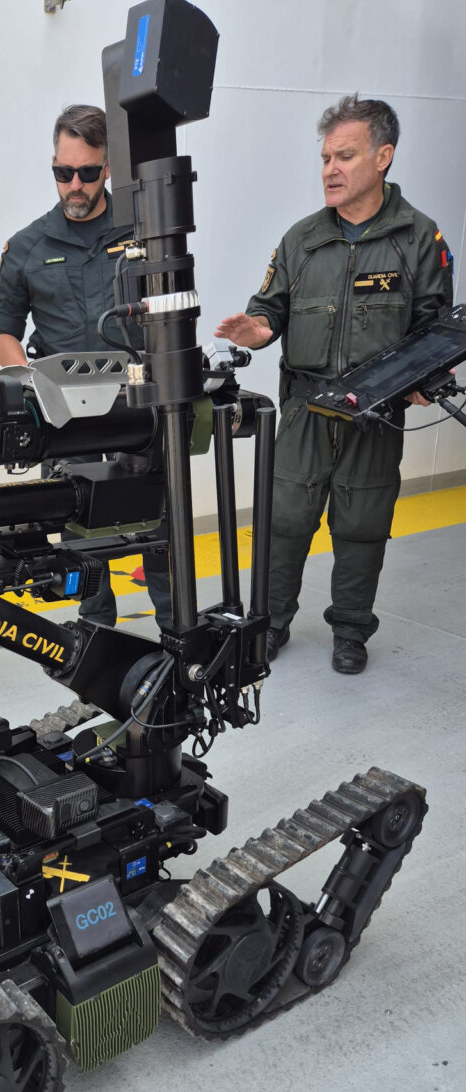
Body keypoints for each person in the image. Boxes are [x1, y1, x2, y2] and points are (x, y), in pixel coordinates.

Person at [216, 94, 453, 675]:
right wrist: (257, 329)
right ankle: (270, 624)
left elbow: (435, 328)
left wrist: (426, 377)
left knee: (363, 527)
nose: (330, 169)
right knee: (284, 523)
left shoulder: (419, 239)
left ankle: (350, 630)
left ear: (383, 157)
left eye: (345, 156)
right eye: (325, 158)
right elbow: (270, 308)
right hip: (306, 410)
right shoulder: (301, 239)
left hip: (377, 413)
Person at [0, 103, 172, 631]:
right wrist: (29, 384)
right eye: (63, 172)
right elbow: (2, 332)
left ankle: (175, 628)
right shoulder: (26, 246)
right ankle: (96, 634)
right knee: (78, 525)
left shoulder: (143, 231)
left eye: (88, 173)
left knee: (159, 523)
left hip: (139, 404)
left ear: (107, 168)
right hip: (65, 411)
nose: (75, 185)